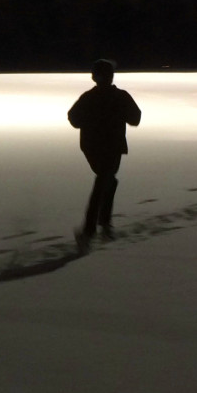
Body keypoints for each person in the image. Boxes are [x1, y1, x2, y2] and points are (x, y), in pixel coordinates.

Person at [68, 59, 141, 251]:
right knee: (104, 181)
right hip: (112, 147)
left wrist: (91, 121)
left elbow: (73, 118)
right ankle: (91, 230)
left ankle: (103, 225)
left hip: (92, 148)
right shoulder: (120, 96)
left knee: (108, 180)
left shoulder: (88, 97)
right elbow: (136, 118)